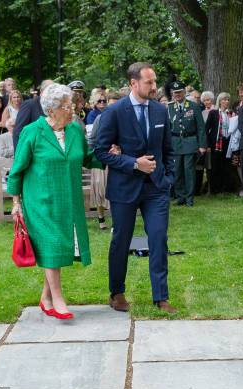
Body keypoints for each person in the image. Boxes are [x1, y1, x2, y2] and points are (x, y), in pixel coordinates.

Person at [7, 83, 106, 320]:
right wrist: (16, 202)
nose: (72, 109)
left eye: (72, 104)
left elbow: (86, 157)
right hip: (40, 202)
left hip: (68, 200)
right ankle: (59, 298)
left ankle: (46, 298)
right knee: (52, 245)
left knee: (58, 246)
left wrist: (109, 157)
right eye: (66, 105)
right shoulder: (32, 132)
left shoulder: (74, 131)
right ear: (51, 110)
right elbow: (17, 170)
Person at [95, 62, 177, 314]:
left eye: (154, 82)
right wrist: (133, 163)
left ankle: (161, 297)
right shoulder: (115, 111)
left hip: (156, 188)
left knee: (158, 237)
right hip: (124, 188)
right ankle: (116, 293)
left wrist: (168, 178)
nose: (154, 87)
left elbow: (167, 149)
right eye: (149, 82)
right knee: (121, 240)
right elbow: (100, 151)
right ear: (134, 83)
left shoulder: (160, 111)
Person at [167, 80, 206, 206]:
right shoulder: (169, 108)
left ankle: (189, 198)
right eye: (175, 93)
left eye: (179, 92)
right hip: (175, 143)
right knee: (177, 171)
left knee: (188, 171)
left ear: (184, 92)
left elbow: (201, 127)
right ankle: (180, 197)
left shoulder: (193, 106)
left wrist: (202, 145)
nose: (177, 95)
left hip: (190, 141)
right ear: (172, 94)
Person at [87, 91, 121, 229]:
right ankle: (101, 220)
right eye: (108, 103)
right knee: (100, 190)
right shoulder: (99, 119)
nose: (104, 104)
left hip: (117, 160)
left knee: (115, 191)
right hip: (101, 159)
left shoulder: (123, 118)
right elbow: (92, 140)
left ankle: (116, 221)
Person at [205, 92, 236, 194]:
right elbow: (206, 129)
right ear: (219, 101)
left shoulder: (231, 113)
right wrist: (208, 144)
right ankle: (214, 189)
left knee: (227, 165)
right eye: (224, 99)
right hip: (216, 143)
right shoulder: (213, 113)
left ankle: (226, 188)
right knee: (215, 166)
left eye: (227, 100)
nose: (226, 101)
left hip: (228, 142)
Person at [13, 79, 54, 148]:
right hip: (34, 151)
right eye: (49, 90)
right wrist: (20, 156)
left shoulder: (55, 106)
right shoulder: (29, 105)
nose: (52, 93)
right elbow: (18, 132)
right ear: (41, 91)